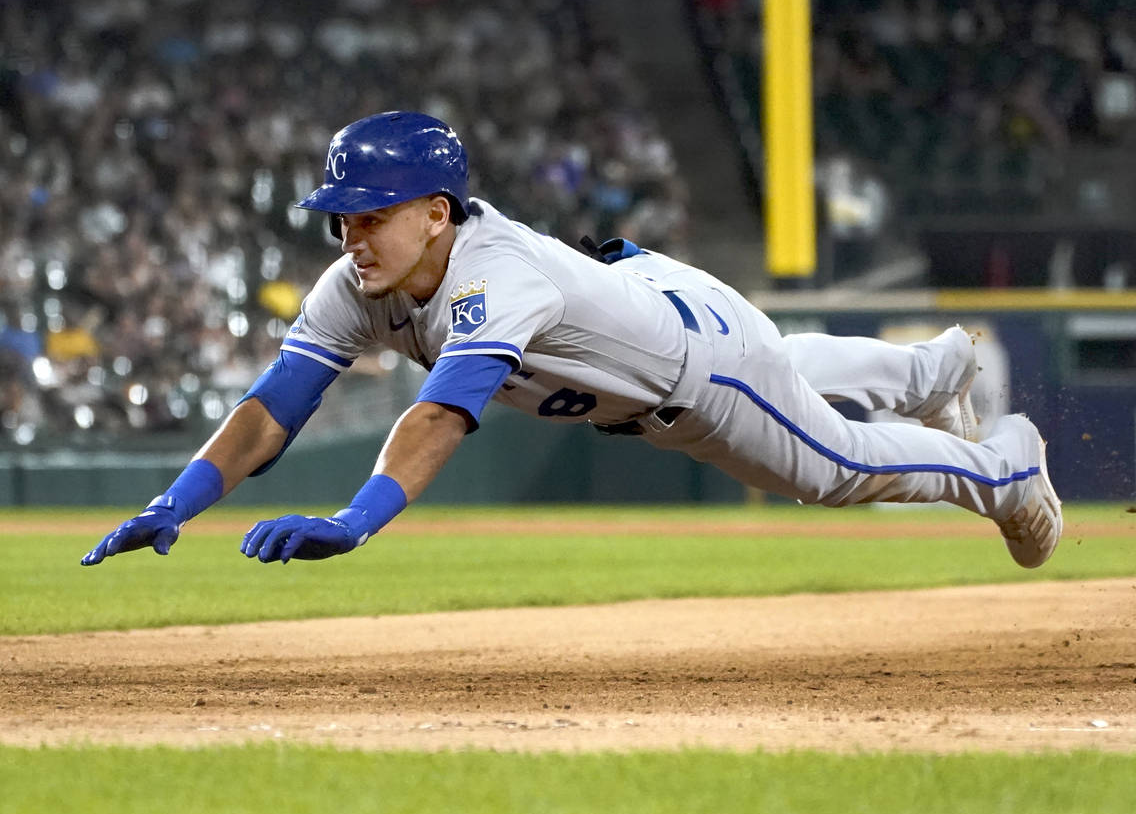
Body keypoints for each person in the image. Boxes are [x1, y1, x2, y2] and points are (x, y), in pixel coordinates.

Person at [81, 111, 1062, 572]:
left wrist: (357, 517)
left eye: (369, 213)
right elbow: (274, 407)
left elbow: (438, 414)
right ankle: (925, 367)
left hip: (701, 378)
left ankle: (1005, 469)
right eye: (340, 214)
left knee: (835, 466)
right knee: (777, 362)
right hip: (653, 302)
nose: (349, 232)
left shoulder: (491, 275)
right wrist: (179, 499)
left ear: (434, 212)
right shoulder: (362, 280)